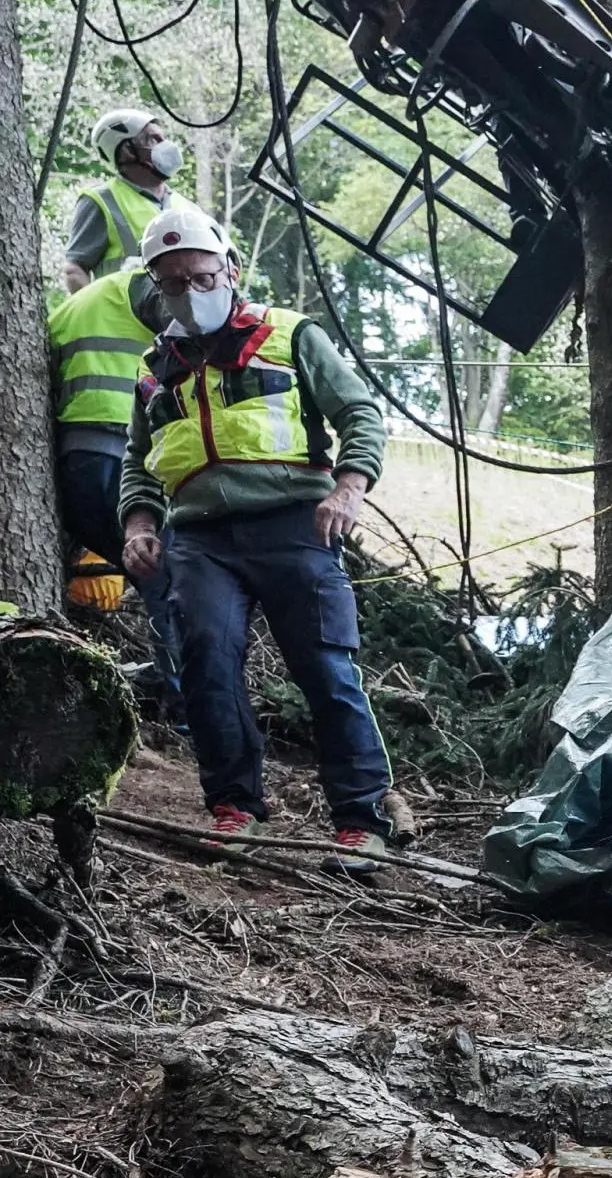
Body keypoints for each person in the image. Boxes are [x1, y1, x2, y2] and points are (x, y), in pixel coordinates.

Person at [116, 202, 414, 853]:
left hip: (294, 525)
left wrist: (350, 486)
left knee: (326, 669)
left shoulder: (290, 335)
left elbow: (360, 413)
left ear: (230, 269)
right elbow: (138, 466)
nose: (190, 294)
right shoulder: (152, 369)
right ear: (155, 287)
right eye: (172, 284)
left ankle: (362, 819)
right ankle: (233, 808)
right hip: (198, 538)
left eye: (200, 278)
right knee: (206, 664)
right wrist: (139, 524)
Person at [45, 256, 184, 695]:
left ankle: (169, 681)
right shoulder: (139, 286)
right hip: (118, 453)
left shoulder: (64, 311)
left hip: (76, 464)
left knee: (153, 569)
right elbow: (196, 325)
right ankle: (183, 695)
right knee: (169, 569)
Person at [65, 106, 182, 292]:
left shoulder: (185, 206)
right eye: (154, 139)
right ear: (127, 150)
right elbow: (74, 270)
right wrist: (98, 316)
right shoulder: (102, 200)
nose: (166, 145)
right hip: (125, 318)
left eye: (164, 138)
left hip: (180, 318)